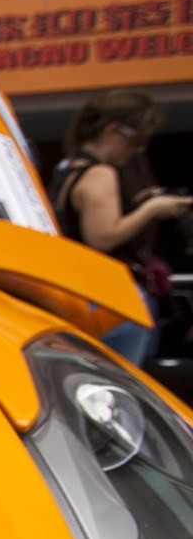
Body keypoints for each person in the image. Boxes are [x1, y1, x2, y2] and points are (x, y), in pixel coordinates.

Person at [50, 89, 192, 366]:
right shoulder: (101, 174)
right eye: (136, 141)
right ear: (113, 131)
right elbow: (102, 236)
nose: (137, 151)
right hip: (112, 299)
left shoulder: (66, 170)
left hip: (80, 293)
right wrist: (151, 209)